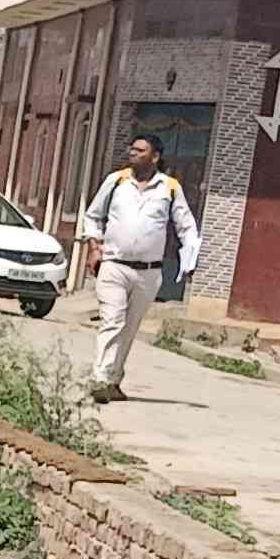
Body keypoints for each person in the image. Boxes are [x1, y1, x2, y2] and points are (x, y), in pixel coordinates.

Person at [80, 133, 201, 401]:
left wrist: (189, 259)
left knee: (129, 327)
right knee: (112, 321)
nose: (132, 153)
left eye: (140, 150)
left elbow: (186, 226)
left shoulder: (169, 188)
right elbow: (93, 216)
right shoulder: (116, 181)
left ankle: (114, 378)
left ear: (155, 157)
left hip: (148, 272)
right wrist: (94, 247)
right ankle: (100, 378)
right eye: (132, 149)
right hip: (114, 265)